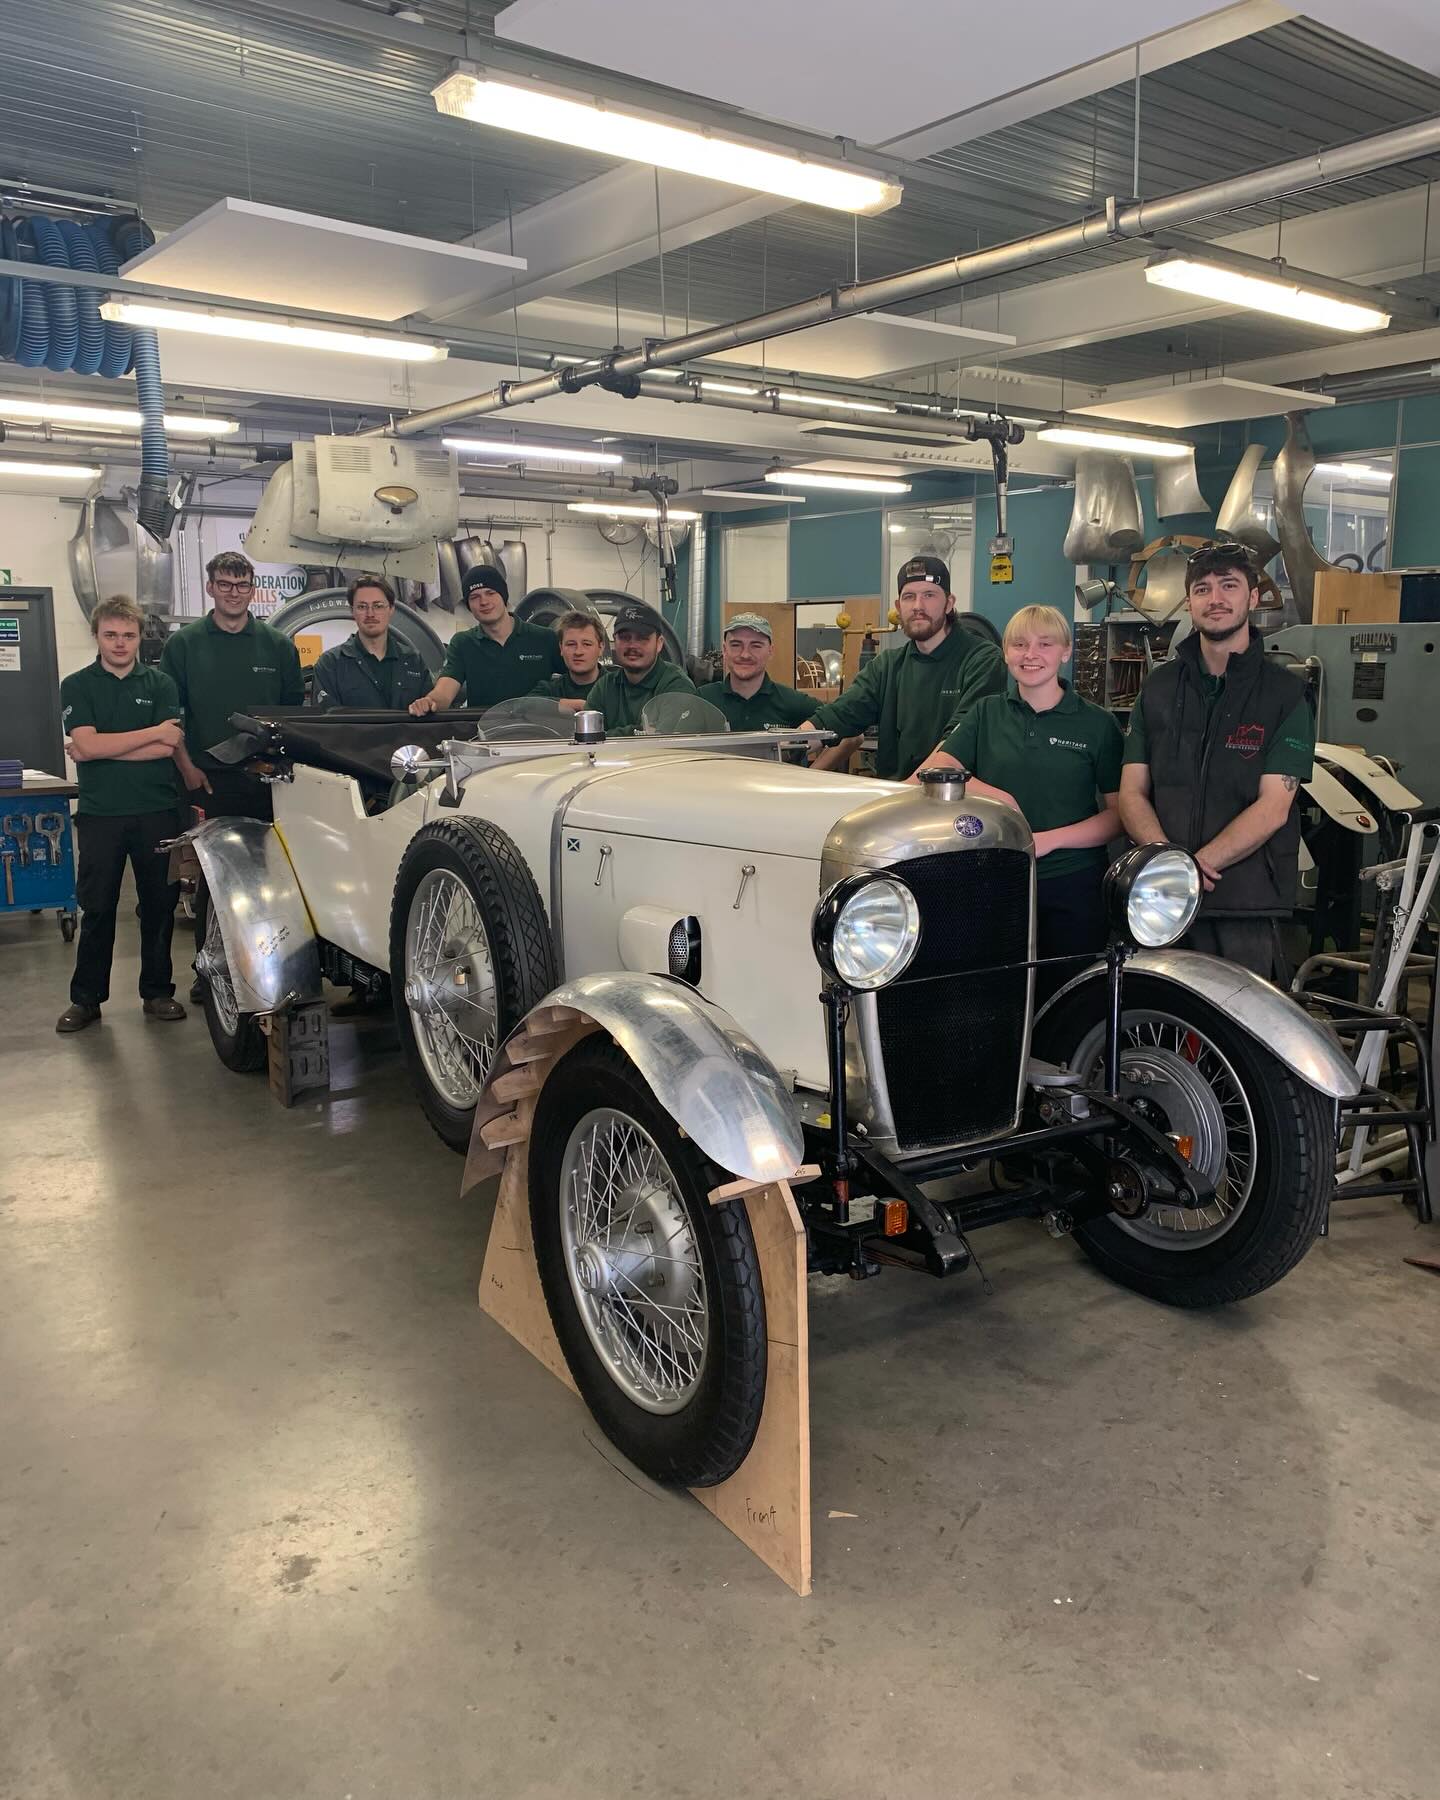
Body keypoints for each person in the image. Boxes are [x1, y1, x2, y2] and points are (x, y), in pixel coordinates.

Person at [1119, 543, 1315, 980]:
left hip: (1243, 899)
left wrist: (1197, 865)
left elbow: (1273, 807)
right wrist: (1171, 862)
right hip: (1160, 897)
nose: (1216, 599)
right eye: (1203, 589)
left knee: (1238, 1033)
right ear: (1190, 602)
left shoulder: (1285, 695)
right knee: (1155, 1020)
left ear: (1254, 598)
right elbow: (1132, 790)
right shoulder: (1158, 688)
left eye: (1229, 585)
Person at [913, 604, 1123, 991]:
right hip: (994, 878)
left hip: (1071, 884)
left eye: (1045, 644)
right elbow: (930, 774)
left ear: (1066, 651)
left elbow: (1117, 816)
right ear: (1006, 653)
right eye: (1020, 644)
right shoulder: (985, 713)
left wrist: (1049, 840)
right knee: (995, 993)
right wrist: (997, 796)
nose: (1031, 655)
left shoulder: (1098, 725)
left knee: (1068, 996)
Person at [56, 597, 188, 1033]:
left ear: (139, 638)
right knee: (97, 907)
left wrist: (102, 748)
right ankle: (86, 999)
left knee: (159, 906)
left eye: (128, 635)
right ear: (97, 636)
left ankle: (158, 991)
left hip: (156, 811)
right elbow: (89, 747)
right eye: (111, 634)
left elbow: (167, 748)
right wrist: (151, 735)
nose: (119, 643)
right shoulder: (77, 685)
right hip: (100, 815)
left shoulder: (161, 683)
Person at [799, 556, 1006, 779]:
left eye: (929, 595)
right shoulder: (887, 666)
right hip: (897, 798)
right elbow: (838, 716)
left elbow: (959, 740)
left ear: (949, 603)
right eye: (909, 597)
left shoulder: (983, 659)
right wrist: (785, 745)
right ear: (898, 607)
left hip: (957, 803)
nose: (918, 606)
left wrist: (908, 791)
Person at [161, 551, 305, 821]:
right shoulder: (183, 645)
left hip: (266, 780)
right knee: (204, 862)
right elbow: (169, 720)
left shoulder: (279, 646)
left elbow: (292, 717)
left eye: (242, 585)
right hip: (205, 779)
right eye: (224, 584)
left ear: (252, 590)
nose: (234, 593)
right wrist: (187, 769)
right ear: (210, 587)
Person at [409, 564, 561, 714]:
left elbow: (578, 676)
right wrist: (429, 701)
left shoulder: (544, 638)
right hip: (484, 733)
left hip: (539, 732)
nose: (484, 602)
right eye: (475, 597)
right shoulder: (463, 643)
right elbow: (444, 691)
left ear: (503, 596)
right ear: (468, 605)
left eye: (490, 593)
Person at [308, 575, 430, 710]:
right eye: (362, 606)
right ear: (352, 611)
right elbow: (324, 725)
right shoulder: (330, 664)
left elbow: (429, 716)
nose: (370, 614)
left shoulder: (413, 661)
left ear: (391, 609)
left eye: (378, 606)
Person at [585, 604, 697, 733]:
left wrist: (605, 736)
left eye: (642, 638)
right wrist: (642, 731)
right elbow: (588, 738)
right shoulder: (604, 687)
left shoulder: (677, 685)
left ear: (659, 643)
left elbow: (664, 740)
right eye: (625, 637)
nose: (633, 645)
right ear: (614, 641)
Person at [697, 613, 814, 731]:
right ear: (724, 649)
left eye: (756, 646)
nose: (745, 654)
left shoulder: (793, 703)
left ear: (770, 651)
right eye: (736, 645)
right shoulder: (703, 700)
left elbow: (831, 724)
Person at [529, 609, 608, 702]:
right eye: (571, 644)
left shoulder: (619, 688)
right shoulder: (550, 689)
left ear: (601, 647)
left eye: (587, 644)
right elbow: (523, 706)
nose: (578, 652)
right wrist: (576, 705)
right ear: (561, 648)